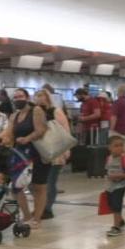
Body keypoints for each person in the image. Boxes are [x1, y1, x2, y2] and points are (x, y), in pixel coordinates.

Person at [2, 88, 50, 227]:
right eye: (15, 97)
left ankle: (37, 218)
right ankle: (27, 215)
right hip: (20, 154)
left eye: (20, 96)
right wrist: (2, 138)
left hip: (37, 152)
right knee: (17, 186)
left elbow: (41, 130)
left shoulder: (36, 111)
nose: (18, 99)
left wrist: (27, 138)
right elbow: (9, 132)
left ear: (27, 97)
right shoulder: (14, 116)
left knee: (38, 186)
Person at [35, 89, 69, 221]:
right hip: (40, 151)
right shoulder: (36, 113)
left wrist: (66, 149)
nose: (39, 98)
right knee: (39, 182)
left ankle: (47, 208)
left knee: (50, 181)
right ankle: (41, 206)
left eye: (41, 96)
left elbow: (65, 130)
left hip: (56, 151)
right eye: (37, 96)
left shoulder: (56, 111)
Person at [104, 135, 125, 237]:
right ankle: (121, 221)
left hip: (120, 186)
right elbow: (107, 171)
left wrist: (120, 176)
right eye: (116, 146)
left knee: (117, 205)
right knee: (111, 205)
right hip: (109, 186)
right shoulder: (108, 158)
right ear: (109, 148)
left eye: (121, 145)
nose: (119, 148)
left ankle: (116, 227)